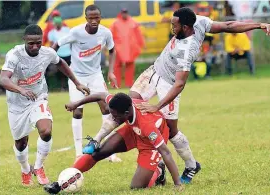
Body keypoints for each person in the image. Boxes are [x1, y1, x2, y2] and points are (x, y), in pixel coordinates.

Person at [80, 7, 270, 184]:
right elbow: (228, 26)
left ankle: (191, 165)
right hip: (154, 71)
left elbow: (179, 84)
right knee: (125, 105)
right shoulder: (199, 21)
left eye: (174, 25)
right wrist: (260, 25)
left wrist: (157, 106)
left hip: (169, 85)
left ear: (185, 27)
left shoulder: (186, 51)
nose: (171, 27)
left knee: (171, 131)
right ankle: (97, 140)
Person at [0, 24, 89, 186]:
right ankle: (26, 169)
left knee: (46, 131)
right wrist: (21, 90)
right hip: (17, 104)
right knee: (21, 143)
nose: (35, 47)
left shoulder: (47, 53)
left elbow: (60, 62)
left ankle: (39, 167)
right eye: (31, 43)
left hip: (38, 97)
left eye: (38, 43)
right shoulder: (15, 55)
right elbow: (3, 79)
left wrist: (77, 83)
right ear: (24, 40)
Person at [44, 93, 184, 194]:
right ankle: (61, 183)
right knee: (98, 152)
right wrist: (77, 103)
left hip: (150, 144)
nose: (113, 118)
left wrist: (178, 184)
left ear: (127, 112)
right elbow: (100, 95)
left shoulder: (147, 124)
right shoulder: (120, 103)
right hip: (133, 131)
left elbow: (165, 152)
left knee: (137, 187)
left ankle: (159, 170)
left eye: (116, 116)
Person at [51, 5, 121, 162]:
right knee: (77, 112)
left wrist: (110, 72)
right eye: (91, 18)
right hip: (77, 77)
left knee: (107, 109)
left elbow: (112, 50)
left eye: (97, 17)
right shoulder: (76, 32)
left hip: (96, 76)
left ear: (100, 17)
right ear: (86, 19)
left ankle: (110, 153)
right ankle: (78, 153)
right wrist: (51, 58)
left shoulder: (105, 32)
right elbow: (57, 44)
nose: (94, 21)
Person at [110, 8, 145, 88]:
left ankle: (129, 84)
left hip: (130, 49)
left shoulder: (133, 22)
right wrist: (110, 46)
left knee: (130, 66)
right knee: (117, 66)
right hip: (118, 49)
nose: (124, 14)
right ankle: (115, 84)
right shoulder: (115, 23)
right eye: (123, 13)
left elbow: (138, 34)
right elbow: (111, 35)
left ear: (127, 13)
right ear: (121, 14)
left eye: (125, 13)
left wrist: (141, 44)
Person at [48, 16, 71, 90]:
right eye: (56, 24)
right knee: (60, 72)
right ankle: (63, 87)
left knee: (70, 70)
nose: (57, 25)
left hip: (69, 54)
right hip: (59, 55)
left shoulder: (67, 30)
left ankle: (70, 86)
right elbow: (51, 45)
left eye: (58, 23)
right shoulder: (51, 33)